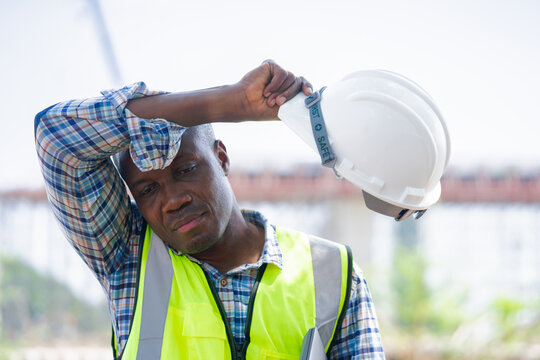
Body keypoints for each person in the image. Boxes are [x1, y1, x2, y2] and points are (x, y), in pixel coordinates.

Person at [35, 60, 385, 359]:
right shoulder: (126, 255)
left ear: (221, 158)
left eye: (185, 170)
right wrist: (231, 103)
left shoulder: (333, 273)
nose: (173, 201)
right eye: (147, 189)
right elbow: (55, 137)